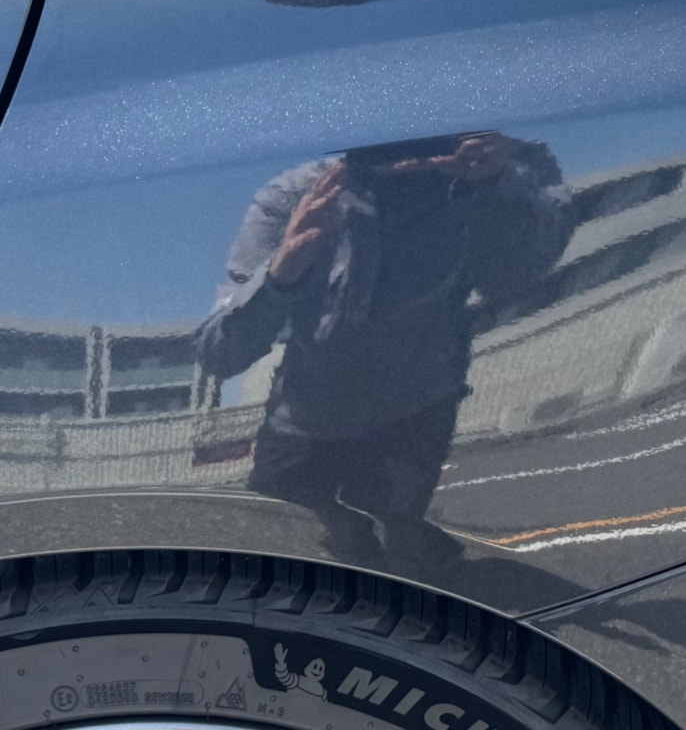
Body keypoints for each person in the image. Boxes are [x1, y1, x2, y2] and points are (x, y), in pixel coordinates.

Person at [196, 131, 572, 568]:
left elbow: (516, 280)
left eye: (422, 141)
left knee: (404, 574)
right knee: (276, 564)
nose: (406, 157)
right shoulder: (298, 196)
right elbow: (219, 353)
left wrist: (490, 188)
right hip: (303, 424)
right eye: (388, 145)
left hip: (413, 415)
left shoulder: (497, 166)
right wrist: (280, 275)